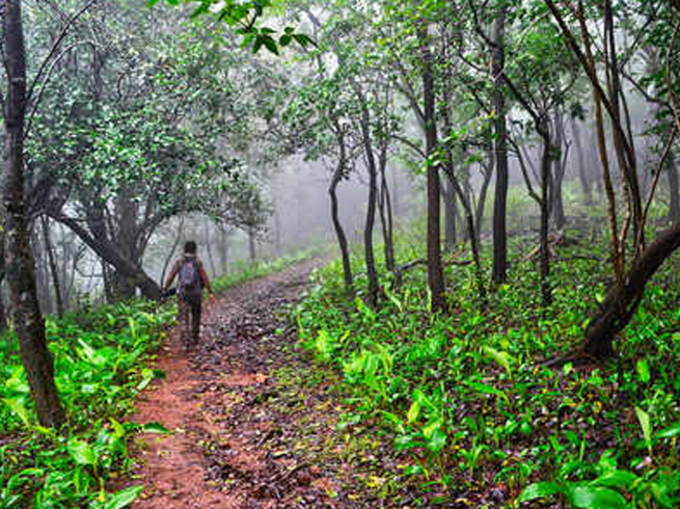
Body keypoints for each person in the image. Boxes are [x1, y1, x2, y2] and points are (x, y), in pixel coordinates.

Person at [163, 240, 215, 350]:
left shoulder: (179, 261)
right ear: (195, 249)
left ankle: (185, 343)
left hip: (182, 293)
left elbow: (171, 276)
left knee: (183, 317)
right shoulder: (197, 261)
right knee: (196, 314)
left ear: (184, 249)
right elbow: (205, 277)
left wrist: (165, 288)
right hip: (196, 293)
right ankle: (195, 339)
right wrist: (210, 292)